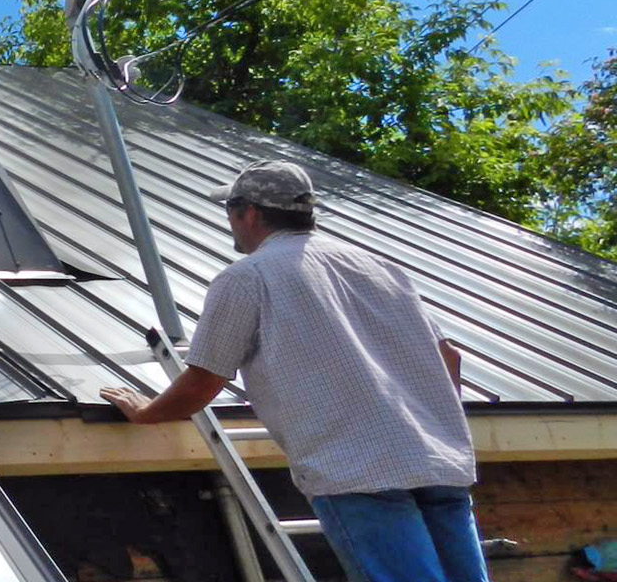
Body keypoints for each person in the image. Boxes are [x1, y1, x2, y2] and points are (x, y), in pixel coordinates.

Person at [99, 160, 485, 582]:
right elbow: (450, 359)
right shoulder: (378, 267)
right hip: (438, 462)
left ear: (248, 212)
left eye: (230, 209)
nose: (230, 221)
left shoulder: (248, 277)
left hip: (358, 472)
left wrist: (145, 411)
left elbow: (203, 382)